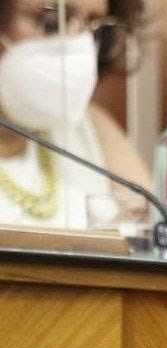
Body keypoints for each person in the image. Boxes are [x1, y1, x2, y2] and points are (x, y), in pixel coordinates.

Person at [0, 0, 148, 227]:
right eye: (51, 22)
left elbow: (157, 235)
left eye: (94, 27)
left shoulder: (94, 127)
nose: (79, 45)